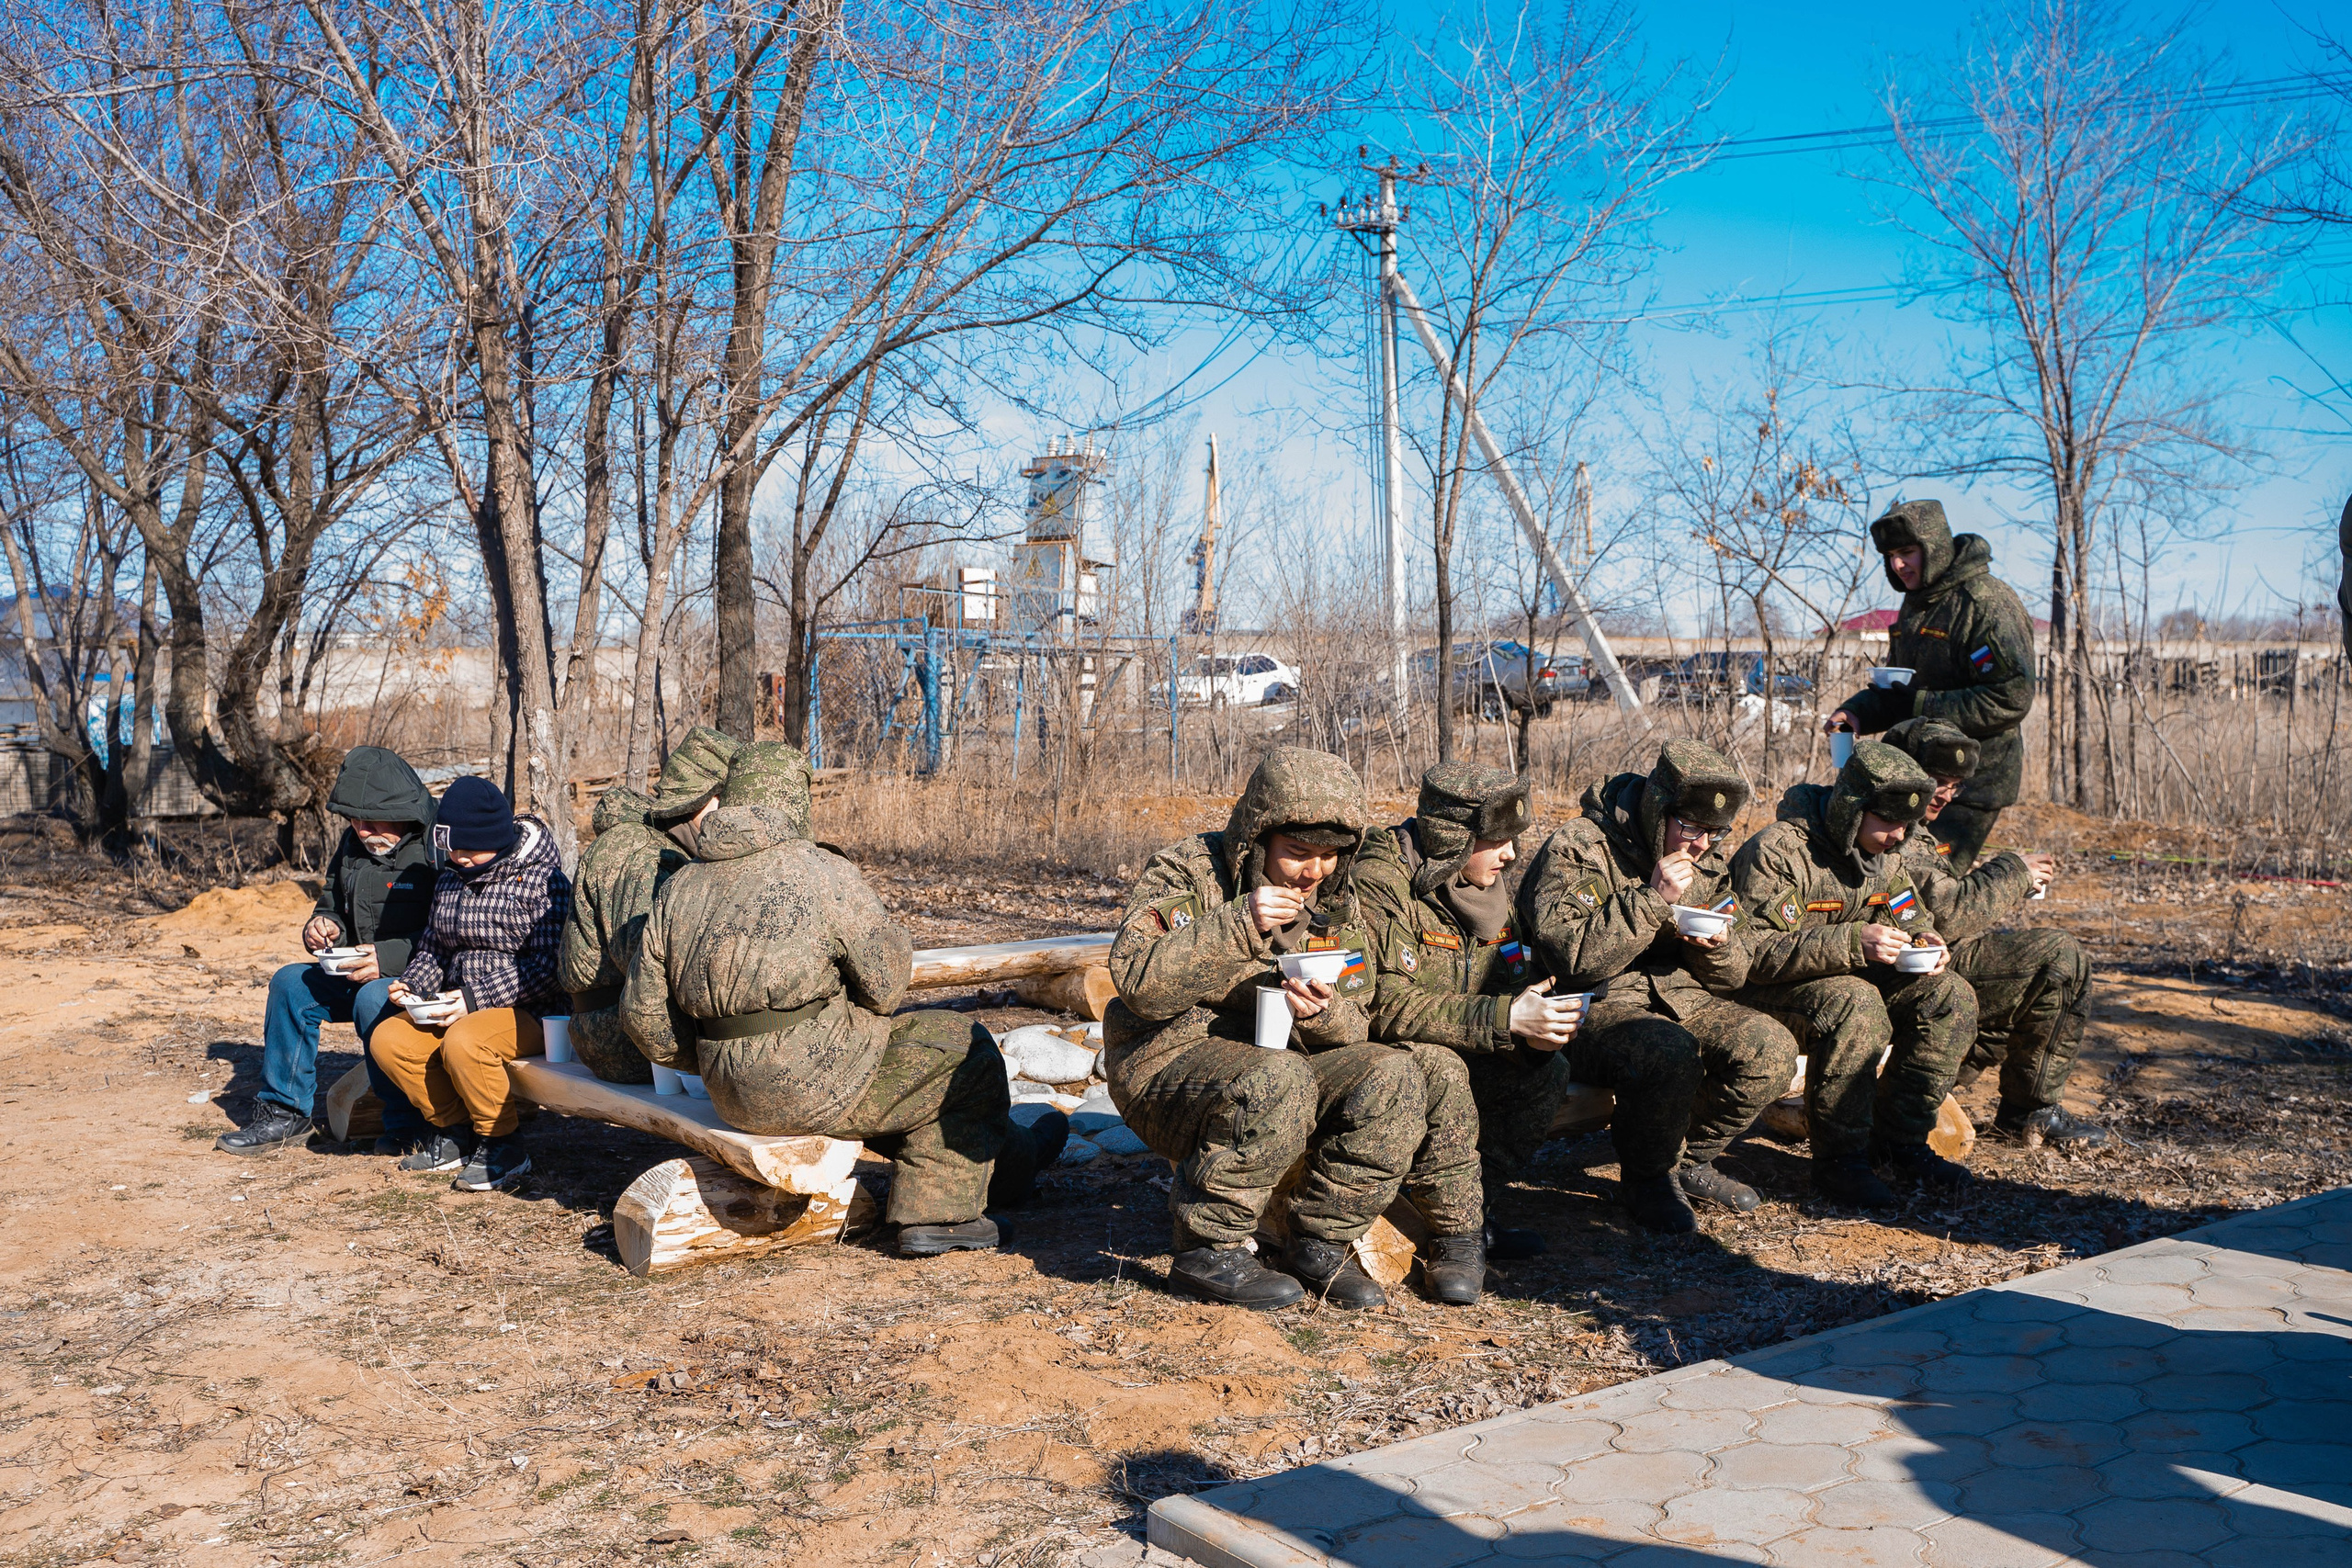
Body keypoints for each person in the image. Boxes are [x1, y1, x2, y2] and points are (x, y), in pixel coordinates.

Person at [622, 742, 1059, 1258]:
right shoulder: (819, 871)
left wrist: (719, 1055)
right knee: (965, 1046)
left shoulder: (680, 886)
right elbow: (887, 987)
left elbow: (643, 1017)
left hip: (726, 1089)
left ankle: (1010, 1167)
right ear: (796, 801)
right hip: (813, 1079)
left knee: (903, 1076)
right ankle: (940, 1218)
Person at [1103, 746, 1484, 1312]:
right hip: (1168, 1062)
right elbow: (1139, 981)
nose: (1314, 872)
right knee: (1276, 1077)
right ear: (1256, 842)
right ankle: (1209, 1249)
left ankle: (1321, 1239)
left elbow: (1359, 1016)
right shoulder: (1190, 872)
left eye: (1331, 856)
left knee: (1397, 1071)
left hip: (1280, 1059)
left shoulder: (1336, 903)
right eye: (1298, 853)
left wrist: (1322, 1011)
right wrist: (1239, 924)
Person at [1515, 741, 1800, 1230]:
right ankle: (1648, 1179)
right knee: (1668, 1052)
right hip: (1587, 1006)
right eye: (1690, 827)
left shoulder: (1705, 862)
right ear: (1656, 809)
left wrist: (1715, 945)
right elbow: (1574, 958)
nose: (1702, 844)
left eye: (1715, 832)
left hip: (1679, 996)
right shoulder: (1581, 846)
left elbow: (1733, 975)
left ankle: (1687, 1160)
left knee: (1769, 1048)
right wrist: (1652, 899)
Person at [1728, 741, 1978, 1208]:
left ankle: (1901, 1142)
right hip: (1764, 995)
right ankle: (1840, 1163)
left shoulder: (1887, 857)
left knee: (1948, 994)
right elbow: (1750, 956)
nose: (1900, 837)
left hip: (1845, 986)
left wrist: (1928, 943)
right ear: (1851, 810)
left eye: (1908, 825)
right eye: (1889, 823)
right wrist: (1850, 941)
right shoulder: (1779, 852)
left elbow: (1911, 917)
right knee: (1854, 1001)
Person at [1351, 761, 1579, 1269]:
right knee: (1444, 1068)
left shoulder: (1486, 889)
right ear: (1452, 836)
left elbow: (1510, 977)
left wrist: (1534, 1024)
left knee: (1546, 1073)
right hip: (1390, 1060)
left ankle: (1472, 1211)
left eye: (1513, 839)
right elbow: (1383, 1005)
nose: (1512, 854)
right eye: (1496, 840)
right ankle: (1441, 1226)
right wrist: (1506, 1019)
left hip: (1463, 1044)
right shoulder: (1383, 881)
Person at [1882, 716, 2103, 1148]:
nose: (1945, 794)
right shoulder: (1893, 827)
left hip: (1924, 957)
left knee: (2027, 975)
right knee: (2060, 957)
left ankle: (1963, 1089)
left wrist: (1990, 878)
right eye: (1936, 781)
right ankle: (2027, 1110)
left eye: (1955, 785)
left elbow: (1929, 896)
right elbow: (1948, 914)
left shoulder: (1907, 824)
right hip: (1906, 967)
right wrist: (2012, 870)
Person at [218, 746, 435, 1156]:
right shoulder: (353, 843)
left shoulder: (437, 845)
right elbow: (332, 901)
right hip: (356, 967)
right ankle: (285, 1113)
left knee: (376, 995)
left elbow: (453, 930)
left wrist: (387, 959)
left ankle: (407, 1124)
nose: (363, 830)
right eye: (354, 820)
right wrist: (323, 927)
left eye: (372, 820)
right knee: (290, 984)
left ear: (404, 810)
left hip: (421, 977)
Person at [368, 776, 572, 1192]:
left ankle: (503, 1145)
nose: (457, 858)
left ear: (496, 839)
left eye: (467, 849)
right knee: (389, 1039)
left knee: (466, 1041)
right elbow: (434, 948)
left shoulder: (543, 882)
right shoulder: (449, 880)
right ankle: (454, 1132)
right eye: (451, 849)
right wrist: (413, 985)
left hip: (533, 1010)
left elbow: (551, 968)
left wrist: (474, 998)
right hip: (457, 1004)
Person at [1823, 500, 2037, 864]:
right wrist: (1857, 712)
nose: (1897, 565)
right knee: (1898, 876)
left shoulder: (1985, 603)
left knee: (1933, 884)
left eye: (1907, 552)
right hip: (1920, 770)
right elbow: (1900, 688)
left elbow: (2011, 696)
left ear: (1934, 547)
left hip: (1970, 781)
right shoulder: (1917, 603)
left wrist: (1921, 705)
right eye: (1890, 555)